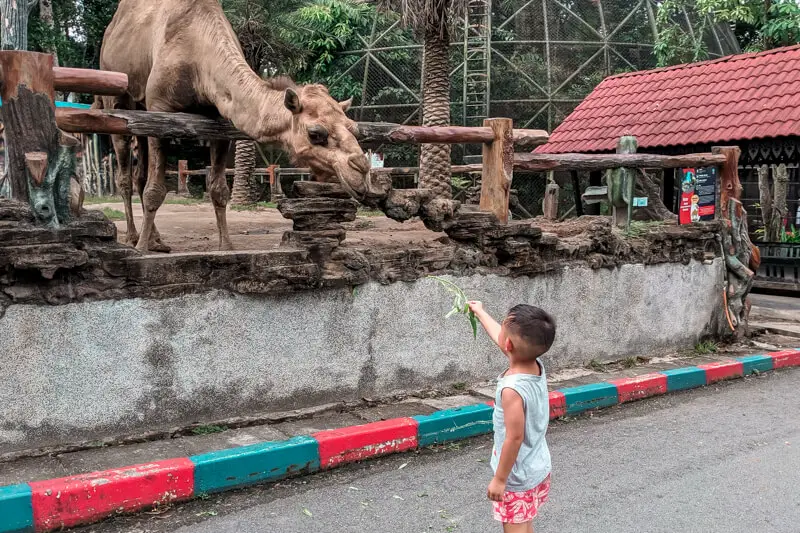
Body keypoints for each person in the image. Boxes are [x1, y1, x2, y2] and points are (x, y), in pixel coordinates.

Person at [468, 301, 556, 532]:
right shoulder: (534, 364)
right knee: (525, 521)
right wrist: (480, 312)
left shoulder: (512, 390)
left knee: (516, 525)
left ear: (507, 344)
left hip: (516, 477)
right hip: (536, 466)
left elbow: (514, 438)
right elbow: (503, 338)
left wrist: (500, 479)